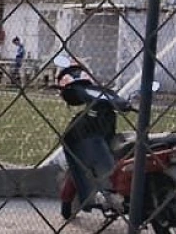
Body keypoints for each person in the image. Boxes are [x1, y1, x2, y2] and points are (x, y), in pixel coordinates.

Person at [55, 54, 128, 214]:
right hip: (86, 134)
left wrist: (121, 101)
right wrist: (118, 101)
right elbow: (87, 93)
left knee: (114, 154)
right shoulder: (83, 90)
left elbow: (100, 95)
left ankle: (109, 194)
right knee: (87, 166)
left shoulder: (95, 94)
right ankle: (98, 196)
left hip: (98, 130)